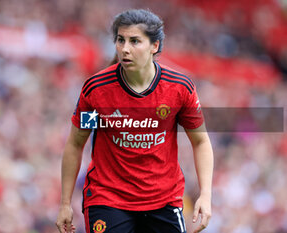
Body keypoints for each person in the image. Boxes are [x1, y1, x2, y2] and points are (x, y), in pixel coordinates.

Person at [56, 9, 213, 233]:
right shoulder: (97, 90)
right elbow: (75, 143)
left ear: (154, 46)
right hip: (108, 199)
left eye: (135, 41)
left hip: (163, 200)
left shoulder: (179, 89)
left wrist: (205, 196)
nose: (125, 48)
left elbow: (201, 142)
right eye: (121, 40)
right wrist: (64, 203)